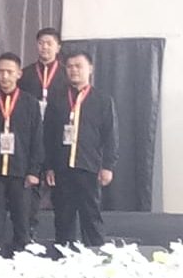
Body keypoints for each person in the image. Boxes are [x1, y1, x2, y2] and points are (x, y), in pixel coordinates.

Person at [44, 52, 118, 247]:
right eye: (70, 66)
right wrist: (49, 166)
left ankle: (96, 256)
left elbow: (110, 136)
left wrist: (108, 166)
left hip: (89, 167)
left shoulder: (102, 100)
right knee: (63, 217)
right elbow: (48, 135)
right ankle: (64, 257)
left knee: (91, 216)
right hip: (62, 169)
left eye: (79, 66)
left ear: (90, 69)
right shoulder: (57, 99)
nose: (74, 70)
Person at [0, 52, 43, 253]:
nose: (5, 76)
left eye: (9, 72)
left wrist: (34, 170)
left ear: (19, 74)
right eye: (1, 72)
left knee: (22, 220)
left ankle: (22, 255)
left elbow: (37, 139)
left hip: (21, 171)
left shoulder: (30, 103)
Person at [19, 28, 67, 239]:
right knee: (32, 183)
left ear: (58, 47)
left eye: (49, 43)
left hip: (59, 135)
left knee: (60, 185)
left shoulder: (66, 73)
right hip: (31, 135)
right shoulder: (26, 74)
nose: (44, 47)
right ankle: (29, 228)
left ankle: (63, 234)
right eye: (41, 43)